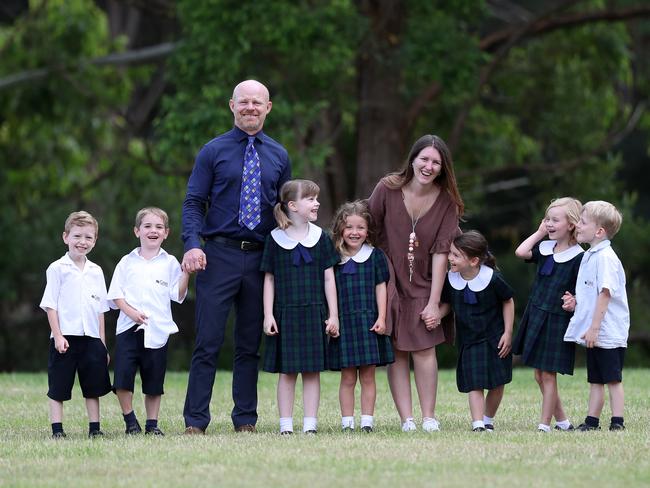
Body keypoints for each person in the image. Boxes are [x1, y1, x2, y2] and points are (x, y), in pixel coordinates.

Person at [181, 80, 291, 434]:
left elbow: (283, 208)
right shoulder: (212, 151)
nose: (250, 108)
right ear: (232, 106)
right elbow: (194, 202)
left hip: (260, 260)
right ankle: (195, 421)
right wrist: (192, 244)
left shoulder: (278, 155)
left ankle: (245, 419)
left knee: (249, 344)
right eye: (244, 102)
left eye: (257, 103)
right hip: (218, 255)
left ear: (268, 107)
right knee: (208, 341)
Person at [368, 134, 463, 432]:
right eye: (424, 159)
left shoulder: (447, 200)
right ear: (413, 159)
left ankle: (429, 417)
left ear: (442, 167)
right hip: (389, 277)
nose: (429, 166)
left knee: (423, 348)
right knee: (396, 349)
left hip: (426, 280)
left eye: (436, 162)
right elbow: (367, 226)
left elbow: (442, 251)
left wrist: (435, 302)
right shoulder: (387, 187)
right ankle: (406, 419)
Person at [261, 179, 340, 435]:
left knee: (311, 372)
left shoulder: (321, 238)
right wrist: (268, 314)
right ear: (293, 205)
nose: (316, 203)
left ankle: (310, 424)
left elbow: (329, 278)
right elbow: (269, 279)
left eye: (316, 198)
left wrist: (333, 315)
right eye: (311, 199)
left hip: (314, 313)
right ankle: (285, 425)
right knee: (287, 372)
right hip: (285, 314)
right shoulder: (274, 240)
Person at [108, 207, 189, 436]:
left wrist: (186, 273)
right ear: (137, 231)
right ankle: (130, 420)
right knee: (123, 378)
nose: (153, 230)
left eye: (159, 227)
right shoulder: (126, 262)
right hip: (129, 328)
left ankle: (152, 424)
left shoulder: (170, 262)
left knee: (154, 381)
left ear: (166, 233)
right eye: (147, 226)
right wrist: (131, 312)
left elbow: (178, 295)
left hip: (157, 330)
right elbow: (115, 295)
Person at [512, 197, 583, 432]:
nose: (549, 224)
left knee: (549, 375)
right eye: (547, 219)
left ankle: (545, 424)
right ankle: (563, 422)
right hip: (536, 314)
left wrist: (575, 301)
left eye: (555, 220)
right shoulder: (544, 248)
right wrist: (540, 232)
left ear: (571, 224)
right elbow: (521, 251)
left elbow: (586, 289)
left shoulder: (579, 257)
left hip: (556, 320)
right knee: (538, 375)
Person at [39, 211, 112, 438]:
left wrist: (102, 344)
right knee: (59, 387)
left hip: (91, 338)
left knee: (93, 387)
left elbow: (100, 309)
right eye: (77, 236)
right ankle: (57, 430)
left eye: (88, 237)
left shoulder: (96, 271)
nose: (82, 242)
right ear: (65, 237)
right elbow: (51, 305)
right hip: (65, 338)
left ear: (95, 241)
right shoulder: (57, 268)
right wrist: (58, 335)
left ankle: (95, 429)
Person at [562, 201, 630, 431]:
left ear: (599, 231)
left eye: (582, 222)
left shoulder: (605, 257)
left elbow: (605, 293)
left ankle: (617, 422)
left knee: (612, 379)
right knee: (595, 379)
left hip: (607, 331)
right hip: (596, 330)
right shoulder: (591, 255)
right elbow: (591, 292)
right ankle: (592, 421)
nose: (577, 226)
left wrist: (594, 327)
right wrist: (576, 303)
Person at [328, 200, 394, 433]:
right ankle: (347, 422)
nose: (355, 232)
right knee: (347, 378)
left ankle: (367, 421)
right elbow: (329, 289)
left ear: (368, 231)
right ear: (340, 229)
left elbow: (381, 287)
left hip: (368, 322)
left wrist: (382, 318)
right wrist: (332, 318)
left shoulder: (375, 256)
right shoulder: (333, 257)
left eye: (360, 228)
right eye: (349, 228)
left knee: (368, 376)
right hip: (344, 323)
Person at [439, 231, 514, 432]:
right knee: (475, 383)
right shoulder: (450, 279)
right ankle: (478, 423)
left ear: (473, 261)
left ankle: (487, 418)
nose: (449, 258)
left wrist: (508, 333)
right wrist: (437, 316)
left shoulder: (493, 279)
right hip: (469, 341)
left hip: (495, 338)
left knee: (498, 383)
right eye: (450, 253)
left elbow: (508, 301)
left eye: (455, 255)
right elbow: (448, 304)